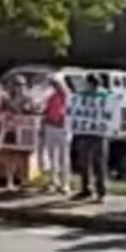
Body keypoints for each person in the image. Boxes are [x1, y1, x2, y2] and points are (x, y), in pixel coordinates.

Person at [72, 74, 110, 202]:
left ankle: (101, 192)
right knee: (84, 162)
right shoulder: (82, 95)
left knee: (99, 163)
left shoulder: (106, 95)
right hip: (85, 133)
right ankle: (86, 189)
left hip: (99, 134)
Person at [39, 76, 71, 195]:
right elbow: (45, 111)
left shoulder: (68, 96)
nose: (55, 86)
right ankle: (53, 181)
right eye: (53, 84)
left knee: (64, 157)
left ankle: (65, 183)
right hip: (50, 126)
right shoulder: (52, 96)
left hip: (63, 128)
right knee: (52, 156)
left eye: (57, 84)